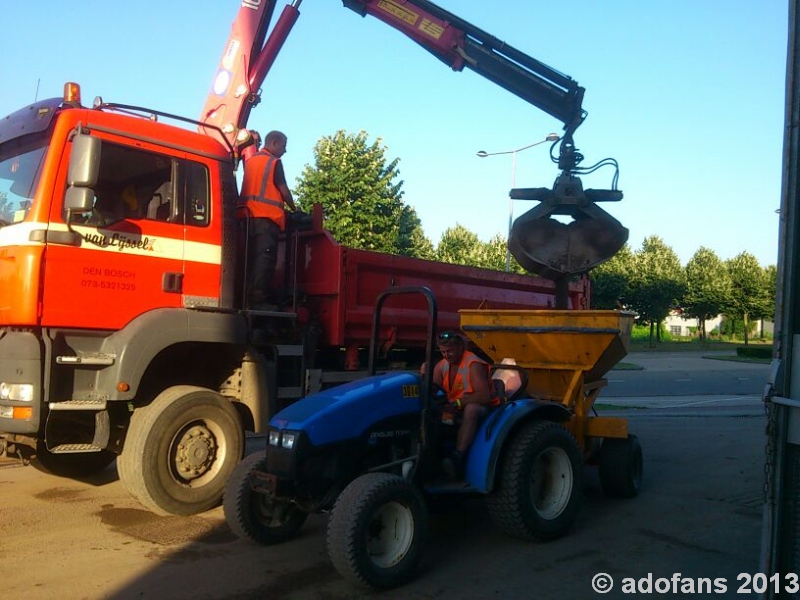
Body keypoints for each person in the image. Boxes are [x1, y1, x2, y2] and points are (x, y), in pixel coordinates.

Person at [239, 130, 297, 307]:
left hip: (247, 216)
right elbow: (284, 190)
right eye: (283, 146)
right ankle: (258, 298)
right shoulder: (273, 162)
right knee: (264, 259)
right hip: (266, 218)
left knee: (249, 258)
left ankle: (245, 296)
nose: (285, 150)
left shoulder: (251, 161)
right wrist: (295, 208)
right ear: (274, 143)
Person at [431, 330, 497, 479]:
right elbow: (433, 391)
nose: (447, 355)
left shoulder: (473, 364)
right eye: (443, 352)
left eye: (450, 351)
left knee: (471, 410)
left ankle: (458, 458)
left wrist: (458, 403)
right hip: (454, 409)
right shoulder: (441, 366)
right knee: (435, 415)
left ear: (461, 347)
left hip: (481, 408)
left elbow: (484, 396)